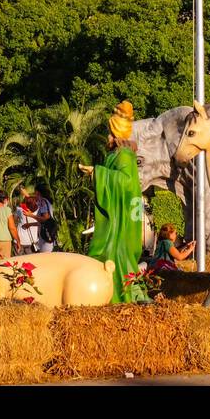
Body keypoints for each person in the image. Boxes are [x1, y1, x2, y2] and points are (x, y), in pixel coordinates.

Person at [81, 100, 147, 302]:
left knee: (111, 254)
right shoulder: (115, 155)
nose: (107, 137)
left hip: (121, 225)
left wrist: (97, 173)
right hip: (117, 218)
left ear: (116, 133)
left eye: (109, 133)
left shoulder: (124, 156)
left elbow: (127, 183)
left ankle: (118, 296)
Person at [30, 186, 56, 252]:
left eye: (35, 193)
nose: (34, 195)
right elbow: (43, 222)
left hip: (45, 237)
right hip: (48, 235)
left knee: (45, 258)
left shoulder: (43, 202)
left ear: (38, 193)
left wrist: (31, 215)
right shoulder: (47, 202)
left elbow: (45, 219)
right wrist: (30, 224)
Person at [14, 190, 39, 256]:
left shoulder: (19, 209)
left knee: (17, 263)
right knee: (31, 262)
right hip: (33, 241)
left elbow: (14, 221)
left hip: (19, 240)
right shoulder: (38, 211)